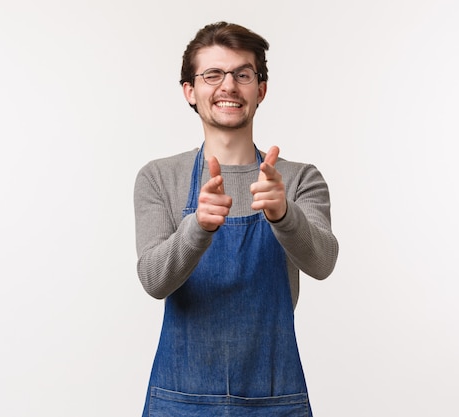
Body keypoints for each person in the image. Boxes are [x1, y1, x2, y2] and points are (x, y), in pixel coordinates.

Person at [133, 21, 339, 417]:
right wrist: (198, 227)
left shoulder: (298, 179)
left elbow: (323, 263)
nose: (228, 86)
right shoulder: (159, 177)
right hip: (180, 403)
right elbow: (153, 281)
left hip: (275, 402)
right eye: (213, 74)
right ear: (190, 91)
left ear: (260, 89)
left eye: (242, 74)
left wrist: (283, 214)